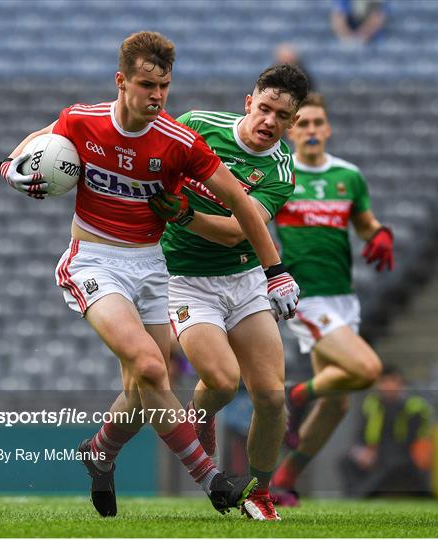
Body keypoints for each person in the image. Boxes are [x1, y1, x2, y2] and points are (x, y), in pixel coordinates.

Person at [0, 31, 299, 518]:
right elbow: (44, 136)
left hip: (153, 266)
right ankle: (211, 479)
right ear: (121, 82)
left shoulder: (180, 141)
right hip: (95, 261)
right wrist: (9, 164)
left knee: (142, 386)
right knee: (153, 367)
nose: (157, 96)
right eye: (146, 85)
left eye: (164, 86)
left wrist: (276, 270)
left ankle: (100, 450)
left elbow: (241, 204)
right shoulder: (83, 120)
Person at [146, 64, 308, 521]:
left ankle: (259, 491)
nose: (269, 121)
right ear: (248, 103)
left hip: (243, 280)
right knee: (220, 381)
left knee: (272, 396)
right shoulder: (198, 126)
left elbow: (239, 232)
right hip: (186, 280)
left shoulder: (279, 168)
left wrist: (182, 215)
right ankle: (205, 424)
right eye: (264, 108)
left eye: (281, 116)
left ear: (292, 123)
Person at [270, 92, 394, 505]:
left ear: (328, 128)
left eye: (317, 123)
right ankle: (295, 396)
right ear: (291, 130)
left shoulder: (349, 176)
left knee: (338, 404)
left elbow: (363, 223)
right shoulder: (281, 176)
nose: (310, 130)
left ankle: (283, 480)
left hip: (343, 298)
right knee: (367, 368)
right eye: (302, 123)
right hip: (307, 297)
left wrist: (378, 233)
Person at [340, 366, 432, 498]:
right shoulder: (372, 405)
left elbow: (412, 439)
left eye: (393, 381)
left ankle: (361, 496)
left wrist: (376, 451)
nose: (389, 386)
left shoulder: (413, 406)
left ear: (401, 384)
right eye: (385, 382)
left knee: (390, 461)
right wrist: (362, 451)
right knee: (346, 461)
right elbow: (361, 434)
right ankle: (352, 495)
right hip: (376, 453)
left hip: (403, 455)